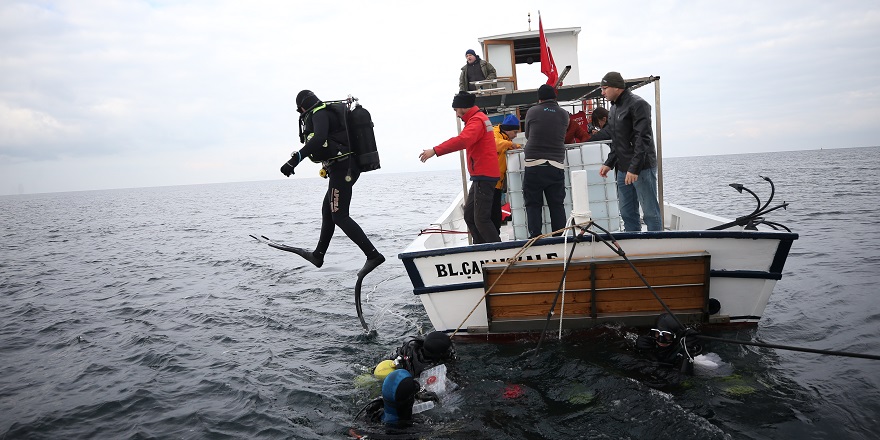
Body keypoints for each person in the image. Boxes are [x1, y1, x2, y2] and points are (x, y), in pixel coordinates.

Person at [279, 89, 385, 276]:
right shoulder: (325, 111)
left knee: (339, 215)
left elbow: (319, 139)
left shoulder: (319, 112)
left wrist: (293, 161)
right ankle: (318, 255)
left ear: (302, 107)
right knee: (328, 210)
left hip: (343, 168)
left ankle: (373, 255)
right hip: (343, 167)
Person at [420, 92, 501, 244]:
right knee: (470, 216)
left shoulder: (477, 120)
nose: (457, 114)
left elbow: (463, 140)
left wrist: (435, 150)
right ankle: (481, 247)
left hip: (484, 175)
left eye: (456, 109)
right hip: (481, 175)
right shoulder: (479, 119)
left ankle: (498, 252)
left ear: (463, 107)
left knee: (481, 219)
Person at [590, 72, 662, 232]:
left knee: (650, 212)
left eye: (604, 88)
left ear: (617, 87)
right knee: (627, 212)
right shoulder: (614, 108)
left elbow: (642, 139)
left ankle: (657, 243)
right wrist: (609, 163)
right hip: (622, 169)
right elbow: (617, 140)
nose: (602, 92)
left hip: (641, 168)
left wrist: (634, 168)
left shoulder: (638, 104)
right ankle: (633, 242)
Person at [523, 84, 570, 238]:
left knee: (533, 204)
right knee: (556, 205)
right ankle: (559, 238)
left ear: (539, 98)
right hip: (555, 164)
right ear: (555, 97)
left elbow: (528, 135)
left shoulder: (532, 111)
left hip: (534, 164)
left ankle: (535, 237)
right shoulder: (564, 114)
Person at [492, 114, 522, 233]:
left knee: (496, 213)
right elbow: (495, 144)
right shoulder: (495, 134)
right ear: (508, 130)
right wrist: (511, 145)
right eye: (514, 132)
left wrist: (518, 147)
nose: (515, 135)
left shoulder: (506, 139)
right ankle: (491, 239)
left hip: (499, 182)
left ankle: (495, 234)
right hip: (490, 182)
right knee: (490, 213)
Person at [386, 331, 456, 377]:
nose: (450, 351)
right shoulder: (426, 370)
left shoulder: (412, 344)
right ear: (439, 354)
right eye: (447, 350)